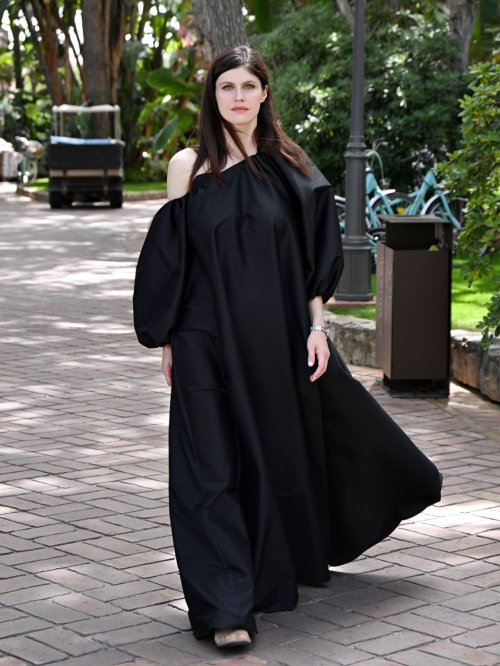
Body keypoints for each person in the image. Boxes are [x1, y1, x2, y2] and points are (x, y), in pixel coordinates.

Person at [132, 44, 443, 649]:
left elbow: (309, 261)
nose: (239, 98)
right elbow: (173, 261)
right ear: (213, 96)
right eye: (227, 87)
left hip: (275, 336)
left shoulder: (292, 166)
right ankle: (227, 609)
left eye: (249, 86)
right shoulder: (187, 165)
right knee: (209, 469)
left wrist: (317, 327)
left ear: (265, 93)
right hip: (202, 335)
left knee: (273, 454)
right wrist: (168, 337)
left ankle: (271, 573)